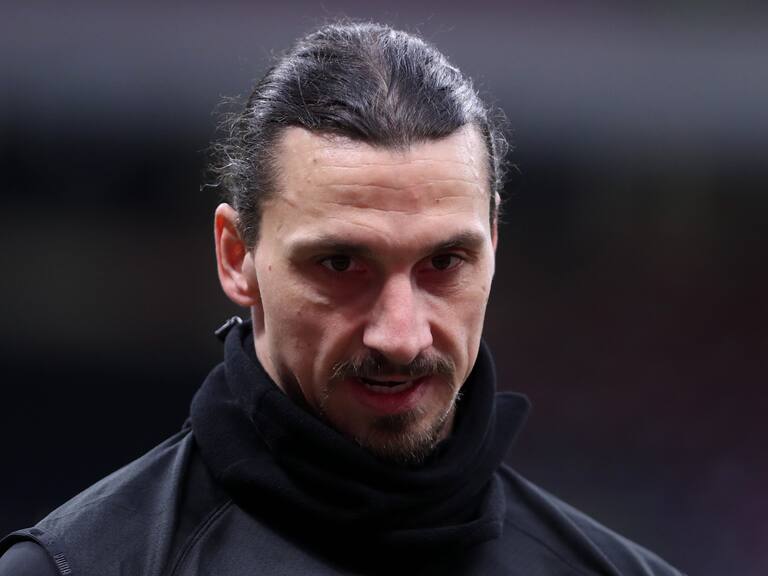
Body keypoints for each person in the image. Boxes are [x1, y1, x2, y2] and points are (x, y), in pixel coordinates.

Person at [0, 22, 684, 575]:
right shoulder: (78, 567)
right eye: (339, 263)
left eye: (444, 262)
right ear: (238, 258)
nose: (401, 335)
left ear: (494, 248)